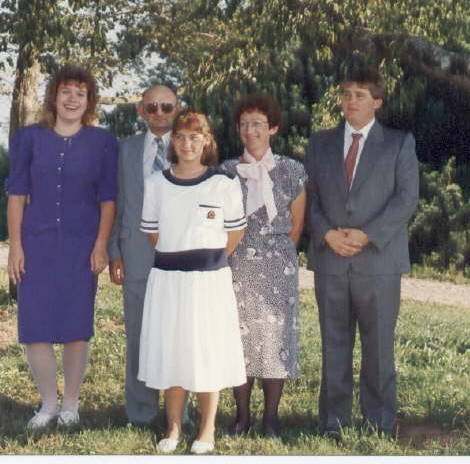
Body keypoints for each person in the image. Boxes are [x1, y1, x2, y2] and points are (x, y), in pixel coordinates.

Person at [305, 66, 419, 438]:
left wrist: (367, 235)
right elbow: (310, 200)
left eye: (360, 94)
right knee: (334, 346)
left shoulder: (399, 143)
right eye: (347, 93)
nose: (351, 100)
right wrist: (326, 235)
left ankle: (380, 425)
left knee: (379, 349)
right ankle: (333, 425)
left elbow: (406, 199)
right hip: (331, 260)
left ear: (377, 102)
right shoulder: (320, 143)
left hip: (379, 262)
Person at [6, 63, 118, 430]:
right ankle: (49, 404)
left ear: (90, 102)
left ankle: (71, 404)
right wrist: (15, 247)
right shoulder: (28, 139)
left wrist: (101, 244)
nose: (72, 99)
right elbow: (17, 195)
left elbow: (108, 200)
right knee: (34, 324)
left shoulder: (103, 142)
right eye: (66, 91)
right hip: (35, 245)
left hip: (81, 246)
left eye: (80, 93)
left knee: (75, 325)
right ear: (53, 97)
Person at [137, 112, 247, 454]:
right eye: (182, 137)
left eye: (195, 138)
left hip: (209, 282)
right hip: (169, 280)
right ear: (174, 142)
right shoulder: (156, 183)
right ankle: (172, 427)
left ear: (207, 142)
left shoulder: (224, 183)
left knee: (205, 352)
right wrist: (180, 257)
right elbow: (154, 235)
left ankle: (206, 429)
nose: (188, 144)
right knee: (172, 351)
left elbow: (235, 234)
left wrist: (205, 261)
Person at [219, 94, 307, 438]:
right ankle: (242, 416)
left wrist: (276, 255)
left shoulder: (293, 170)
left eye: (257, 123)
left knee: (275, 339)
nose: (250, 130)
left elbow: (297, 225)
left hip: (277, 267)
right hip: (236, 264)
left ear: (273, 127)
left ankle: (271, 417)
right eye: (244, 124)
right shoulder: (226, 172)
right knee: (237, 338)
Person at [107, 84, 182, 426]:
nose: (159, 113)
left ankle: (178, 413)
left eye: (166, 107)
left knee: (177, 334)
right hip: (134, 253)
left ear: (177, 108)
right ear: (141, 110)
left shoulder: (189, 145)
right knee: (138, 334)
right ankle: (140, 413)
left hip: (180, 254)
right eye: (152, 107)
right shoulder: (125, 149)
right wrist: (113, 250)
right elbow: (115, 203)